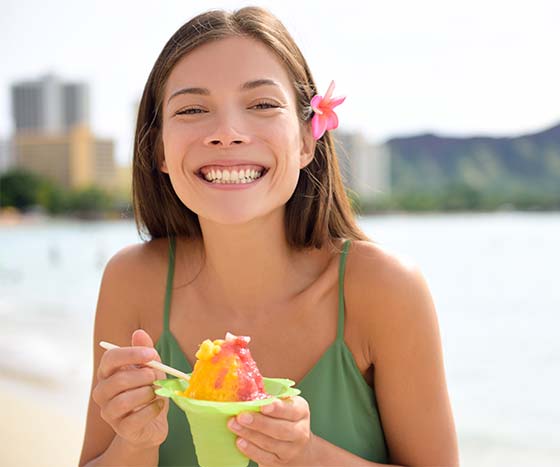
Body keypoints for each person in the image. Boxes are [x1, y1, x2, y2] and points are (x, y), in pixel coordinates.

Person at [79, 6, 458, 467]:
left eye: (261, 105)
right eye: (193, 109)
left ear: (306, 140)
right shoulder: (131, 280)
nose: (227, 133)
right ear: (158, 149)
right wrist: (135, 442)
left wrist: (308, 454)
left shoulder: (386, 289)